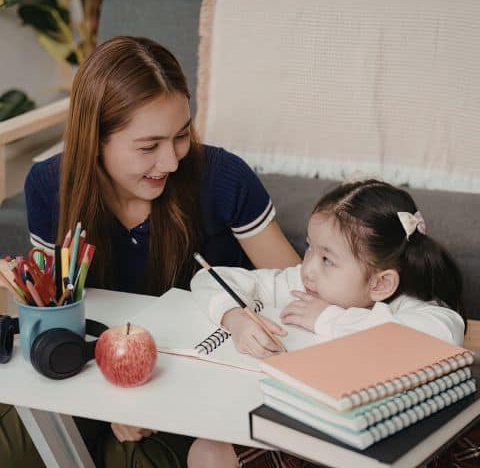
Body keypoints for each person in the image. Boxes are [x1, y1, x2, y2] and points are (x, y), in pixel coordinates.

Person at [0, 36, 300, 468]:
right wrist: (105, 391)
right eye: (148, 146)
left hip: (195, 380)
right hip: (88, 368)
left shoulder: (223, 178)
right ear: (95, 138)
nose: (173, 161)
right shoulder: (50, 185)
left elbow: (295, 294)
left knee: (136, 460)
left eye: (181, 136)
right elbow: (57, 306)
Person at [188, 179, 466, 468]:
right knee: (206, 452)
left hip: (386, 442)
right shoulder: (306, 284)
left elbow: (441, 335)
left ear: (381, 283)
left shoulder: (411, 306)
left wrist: (328, 319)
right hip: (312, 426)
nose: (307, 268)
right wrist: (234, 318)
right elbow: (210, 278)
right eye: (310, 248)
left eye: (327, 259)